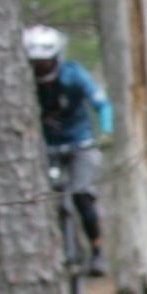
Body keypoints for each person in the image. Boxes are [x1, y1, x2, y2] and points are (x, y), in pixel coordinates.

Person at [25, 26, 111, 276]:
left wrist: (106, 132)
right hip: (44, 146)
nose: (40, 68)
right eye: (35, 63)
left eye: (45, 62)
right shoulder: (24, 81)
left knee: (82, 194)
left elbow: (102, 104)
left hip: (80, 142)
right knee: (38, 198)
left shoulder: (74, 75)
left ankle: (97, 252)